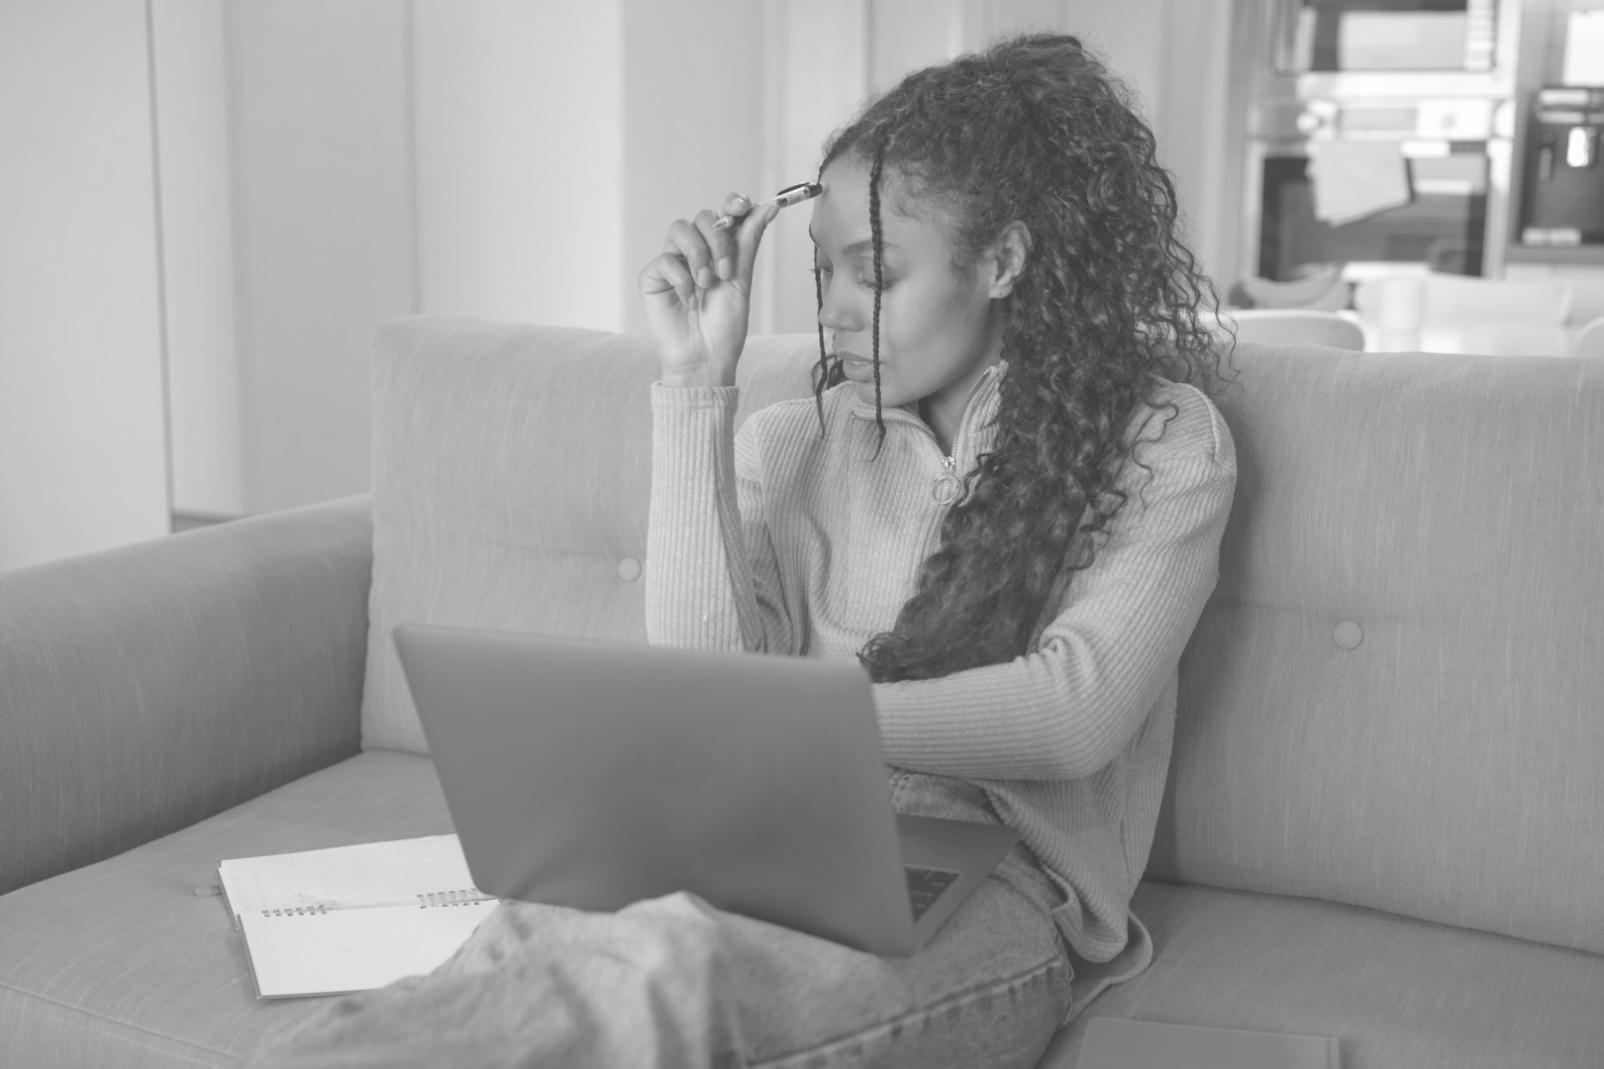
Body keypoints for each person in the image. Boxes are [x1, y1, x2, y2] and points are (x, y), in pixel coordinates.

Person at [249, 31, 1236, 1069]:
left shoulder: (1163, 442)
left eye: (876, 273)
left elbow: (1071, 714)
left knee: (667, 980)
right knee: (519, 952)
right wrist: (693, 382)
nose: (835, 310)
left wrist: (804, 724)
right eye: (823, 271)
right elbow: (704, 676)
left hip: (993, 877)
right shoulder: (792, 439)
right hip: (748, 825)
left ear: (1003, 262)